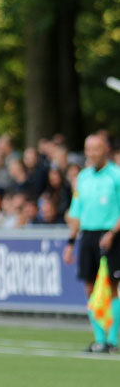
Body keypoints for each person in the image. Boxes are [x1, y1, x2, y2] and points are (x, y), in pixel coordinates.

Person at [63, 133, 120, 353]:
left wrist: (113, 232)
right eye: (88, 149)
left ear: (104, 149)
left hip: (111, 234)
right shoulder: (83, 178)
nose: (92, 154)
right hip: (87, 235)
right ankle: (99, 339)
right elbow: (76, 212)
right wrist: (70, 242)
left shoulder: (116, 175)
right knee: (89, 287)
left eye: (96, 149)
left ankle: (113, 341)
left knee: (113, 287)